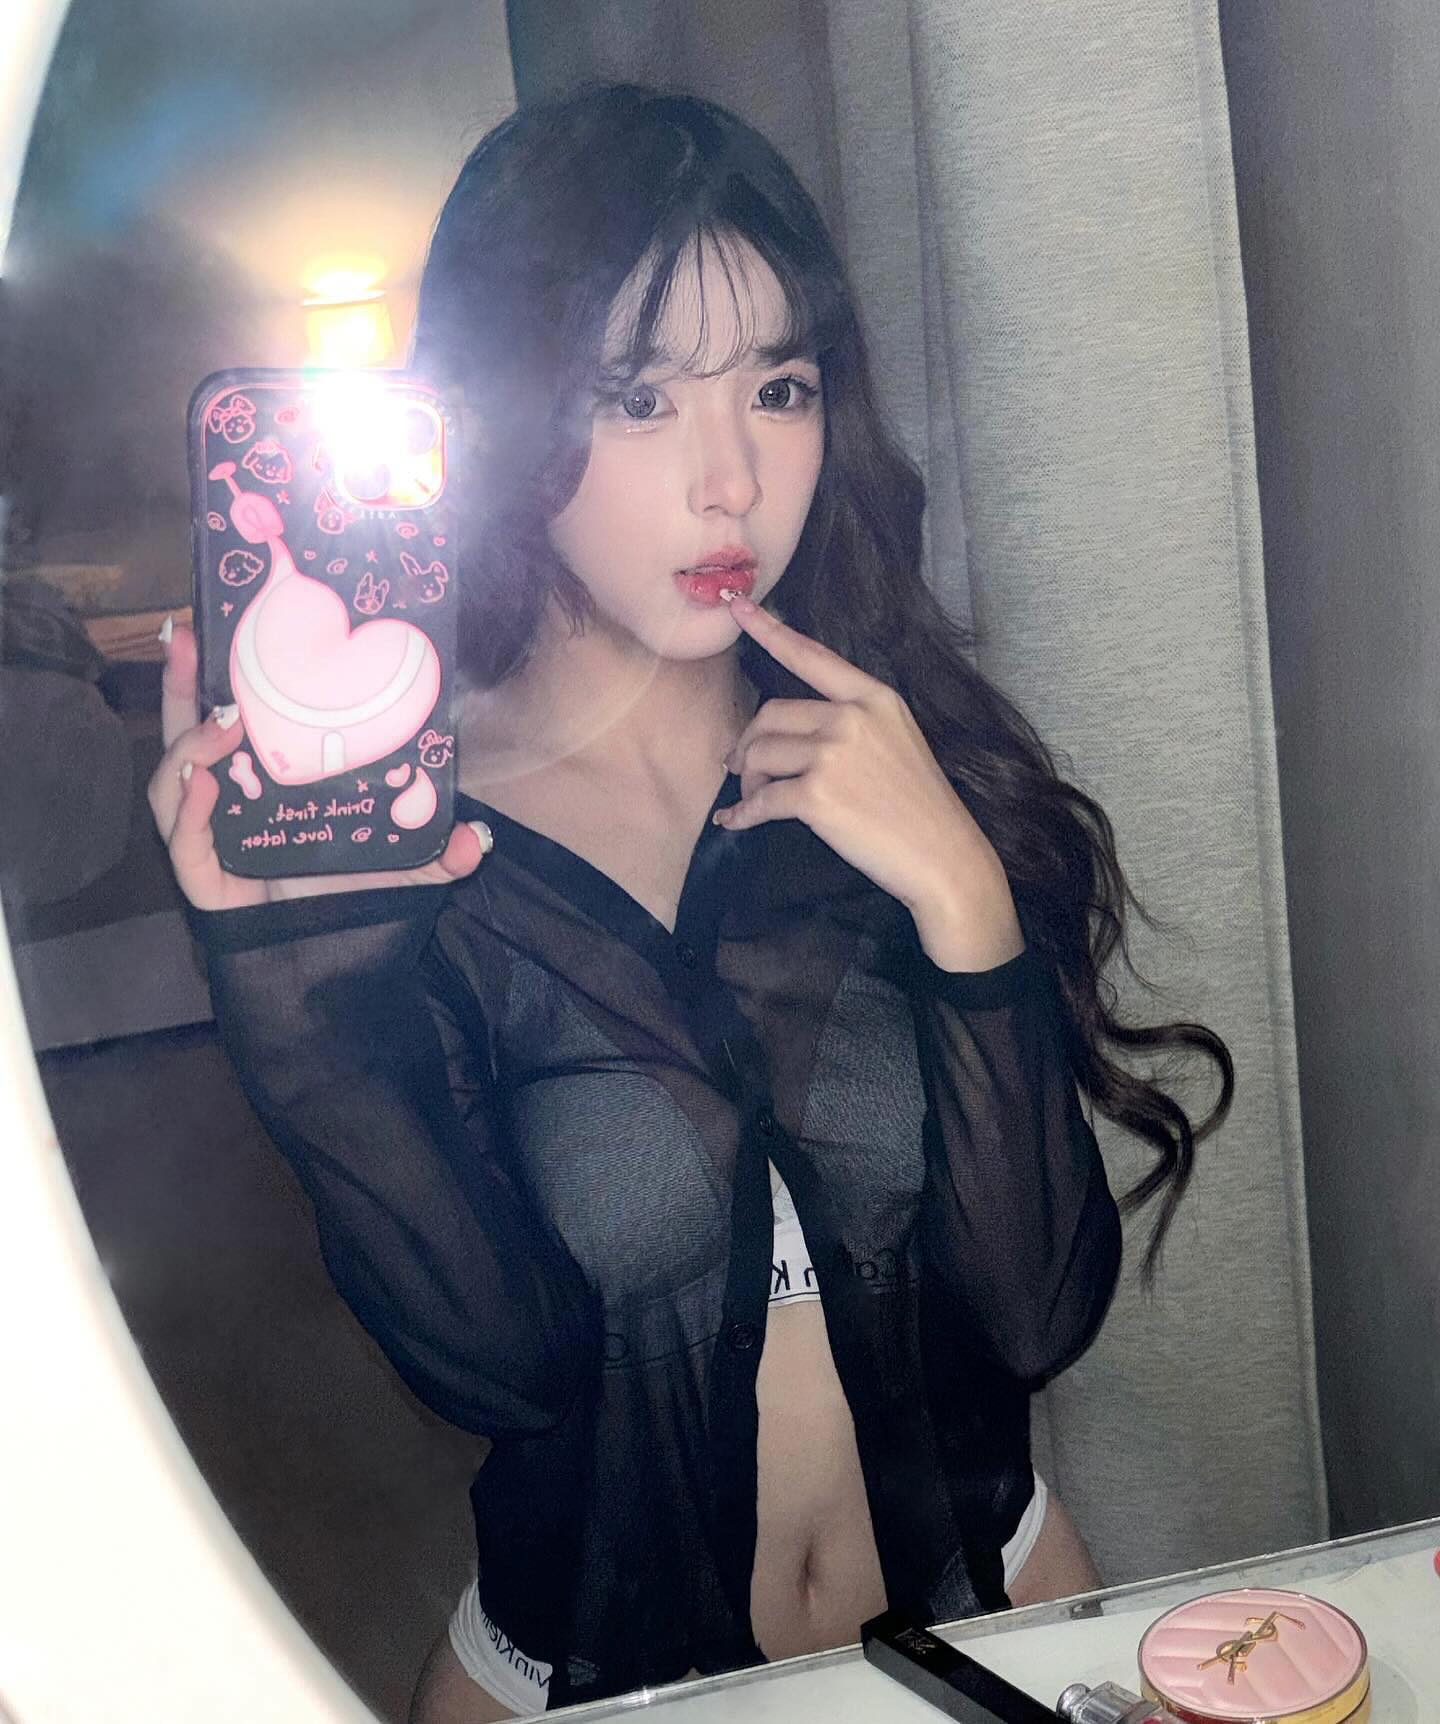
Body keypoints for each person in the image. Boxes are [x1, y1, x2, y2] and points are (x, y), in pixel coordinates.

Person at [149, 84, 1232, 1723]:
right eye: (640, 397)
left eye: (778, 388)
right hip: (591, 1684)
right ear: (512, 421)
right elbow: (497, 1370)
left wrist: (962, 898)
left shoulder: (892, 772)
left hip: (989, 1629)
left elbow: (1035, 1314)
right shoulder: (414, 856)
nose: (731, 481)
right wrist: (302, 1015)